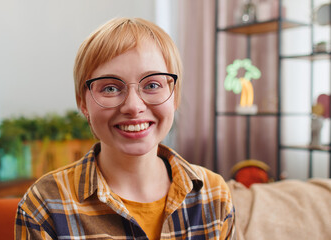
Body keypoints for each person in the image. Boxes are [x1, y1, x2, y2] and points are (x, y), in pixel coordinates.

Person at [15, 17, 235, 240]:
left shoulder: (213, 194)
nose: (133, 106)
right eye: (110, 88)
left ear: (174, 95)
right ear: (83, 102)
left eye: (151, 85)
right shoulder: (45, 205)